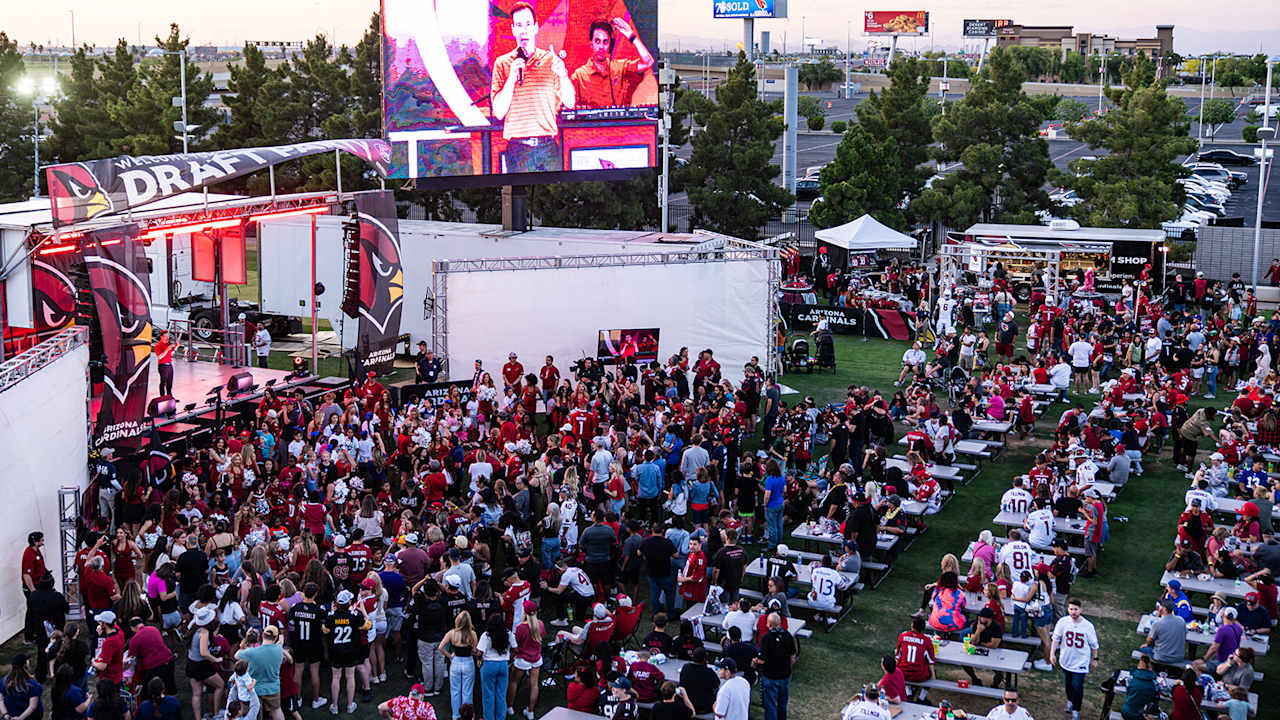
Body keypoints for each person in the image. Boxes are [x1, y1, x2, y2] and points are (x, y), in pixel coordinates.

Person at [491, 1, 575, 172]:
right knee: (520, 197)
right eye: (519, 25)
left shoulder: (551, 61)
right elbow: (498, 112)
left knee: (552, 197)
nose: (524, 30)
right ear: (513, 29)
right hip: (518, 149)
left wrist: (563, 75)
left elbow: (570, 102)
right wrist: (511, 79)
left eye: (528, 24)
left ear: (536, 27)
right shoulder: (502, 63)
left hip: (548, 148)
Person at [570, 17, 654, 109]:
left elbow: (648, 62)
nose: (601, 47)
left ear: (610, 45)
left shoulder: (619, 67)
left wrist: (631, 35)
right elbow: (569, 106)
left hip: (619, 123)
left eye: (605, 42)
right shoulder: (579, 75)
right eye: (597, 41)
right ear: (591, 44)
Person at [1049, 597, 1099, 720]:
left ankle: (1076, 709)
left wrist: (1095, 659)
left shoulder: (1087, 626)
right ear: (1068, 609)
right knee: (1068, 684)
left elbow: (1094, 644)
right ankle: (1070, 701)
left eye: (1076, 609)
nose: (1073, 612)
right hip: (1066, 659)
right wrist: (1052, 653)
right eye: (1071, 609)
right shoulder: (1063, 622)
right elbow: (1056, 638)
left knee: (1077, 685)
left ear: (1081, 610)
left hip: (1081, 661)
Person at [237, 625, 288, 720]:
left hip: (255, 689)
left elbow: (236, 655)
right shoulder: (279, 649)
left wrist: (244, 642)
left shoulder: (251, 652)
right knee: (276, 710)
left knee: (253, 714)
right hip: (273, 688)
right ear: (276, 637)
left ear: (262, 635)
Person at [754, 613, 796, 720]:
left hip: (770, 677)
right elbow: (792, 656)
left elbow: (762, 660)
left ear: (769, 624)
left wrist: (755, 661)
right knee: (782, 704)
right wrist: (789, 669)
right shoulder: (787, 635)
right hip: (785, 676)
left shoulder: (766, 638)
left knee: (771, 705)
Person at [438, 612, 477, 720]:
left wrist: (450, 656)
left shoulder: (452, 633)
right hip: (468, 662)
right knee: (467, 691)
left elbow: (441, 647)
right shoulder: (472, 634)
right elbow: (475, 650)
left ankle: (456, 716)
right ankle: (467, 716)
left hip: (455, 663)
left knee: (455, 690)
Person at [476, 614, 515, 720]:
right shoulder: (508, 634)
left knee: (488, 695)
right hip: (503, 665)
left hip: (489, 665)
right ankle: (501, 718)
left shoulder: (486, 635)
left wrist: (479, 660)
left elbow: (480, 652)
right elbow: (515, 648)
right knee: (501, 694)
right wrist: (510, 659)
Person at [1143, 599, 1187, 665]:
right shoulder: (1181, 620)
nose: (1158, 607)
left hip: (1161, 657)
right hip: (1178, 657)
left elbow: (1149, 641)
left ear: (1164, 609)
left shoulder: (1158, 623)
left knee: (1143, 648)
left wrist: (1146, 644)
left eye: (1160, 606)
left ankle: (1149, 668)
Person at [2, 654, 42, 720]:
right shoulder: (33, 685)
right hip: (30, 717)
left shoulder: (5, 681)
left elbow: (0, 699)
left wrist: (5, 714)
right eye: (27, 660)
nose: (29, 661)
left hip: (10, 715)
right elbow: (32, 706)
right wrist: (20, 718)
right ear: (25, 665)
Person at [1120, 653, 1158, 720]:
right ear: (1150, 667)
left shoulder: (1131, 679)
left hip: (1126, 712)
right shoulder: (1154, 684)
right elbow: (1155, 698)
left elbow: (1128, 692)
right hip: (1139, 713)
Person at [154, 331, 176, 397]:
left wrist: (176, 348)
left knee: (170, 382)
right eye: (165, 336)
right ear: (161, 337)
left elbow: (171, 353)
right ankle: (162, 397)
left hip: (169, 364)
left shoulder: (168, 344)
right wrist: (167, 349)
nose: (167, 338)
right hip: (163, 366)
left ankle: (169, 396)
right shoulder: (158, 346)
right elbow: (160, 356)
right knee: (163, 382)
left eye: (168, 336)